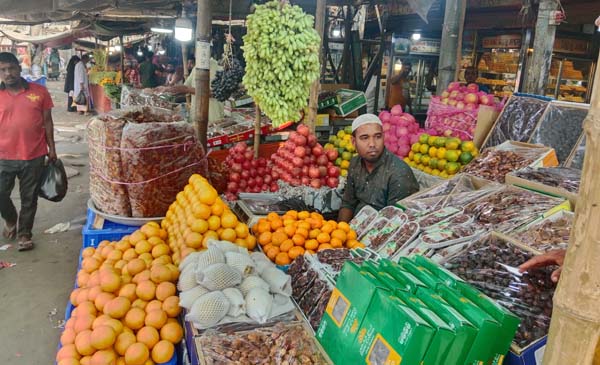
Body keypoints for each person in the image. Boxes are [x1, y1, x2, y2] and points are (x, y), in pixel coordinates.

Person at [0, 52, 56, 251]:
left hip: (33, 153)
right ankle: (10, 218)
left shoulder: (39, 91)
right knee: (1, 194)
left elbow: (48, 122)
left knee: (29, 197)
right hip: (3, 156)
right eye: (3, 70)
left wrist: (52, 148)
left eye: (11, 68)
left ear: (19, 67)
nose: (8, 73)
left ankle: (25, 233)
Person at [338, 114, 419, 222]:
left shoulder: (399, 173)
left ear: (383, 137)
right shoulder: (355, 163)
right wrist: (340, 231)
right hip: (356, 228)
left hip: (384, 230)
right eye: (365, 138)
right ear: (353, 142)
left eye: (377, 137)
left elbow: (396, 221)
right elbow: (348, 203)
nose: (372, 144)